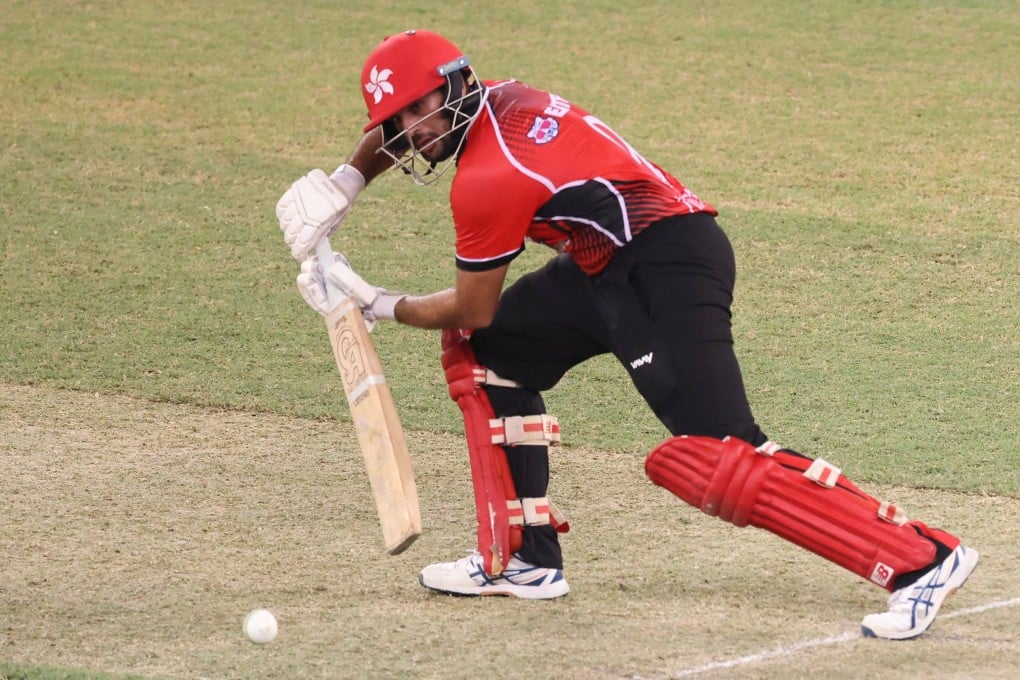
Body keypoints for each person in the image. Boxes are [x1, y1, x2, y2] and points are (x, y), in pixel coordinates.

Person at [275, 29, 977, 640]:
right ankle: (524, 561)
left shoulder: (487, 177)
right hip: (602, 264)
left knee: (715, 452)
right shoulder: (501, 97)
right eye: (395, 125)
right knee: (491, 357)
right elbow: (480, 319)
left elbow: (471, 305)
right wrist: (344, 185)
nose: (409, 137)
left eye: (417, 116)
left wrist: (374, 303)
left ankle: (921, 559)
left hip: (665, 266)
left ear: (456, 89)